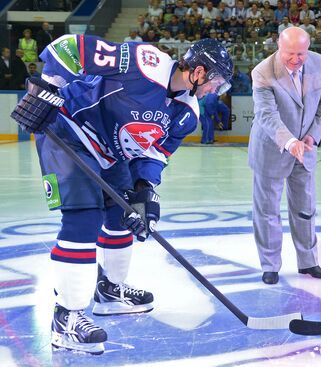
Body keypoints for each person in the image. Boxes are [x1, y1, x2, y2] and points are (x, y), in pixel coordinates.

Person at [11, 35, 233, 354]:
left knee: (123, 214)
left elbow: (156, 152)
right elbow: (70, 48)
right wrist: (47, 88)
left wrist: (144, 190)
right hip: (70, 130)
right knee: (84, 217)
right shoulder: (143, 62)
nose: (216, 89)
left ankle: (110, 291)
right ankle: (66, 317)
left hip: (110, 152)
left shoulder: (188, 113)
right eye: (217, 82)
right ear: (198, 72)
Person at [249, 27, 321, 285]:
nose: (295, 59)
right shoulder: (263, 71)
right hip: (272, 149)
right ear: (278, 46)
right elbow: (267, 115)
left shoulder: (320, 63)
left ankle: (308, 261)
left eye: (301, 54)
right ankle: (270, 265)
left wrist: (312, 136)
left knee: (305, 208)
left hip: (305, 150)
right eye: (289, 54)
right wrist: (290, 142)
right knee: (267, 211)